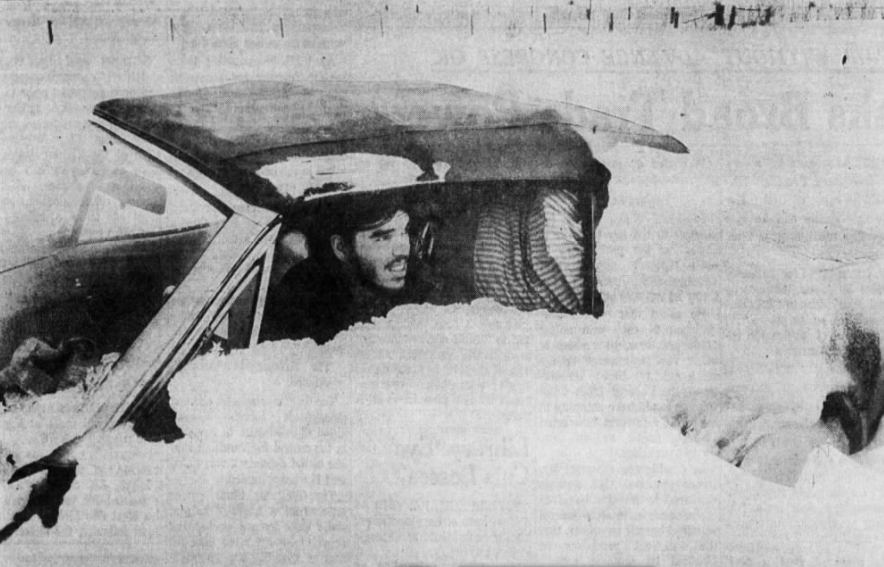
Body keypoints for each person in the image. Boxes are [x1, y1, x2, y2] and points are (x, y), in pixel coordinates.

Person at [260, 196, 437, 345]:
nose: (402, 250)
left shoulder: (426, 288)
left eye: (404, 232)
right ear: (342, 248)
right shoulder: (304, 300)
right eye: (383, 238)